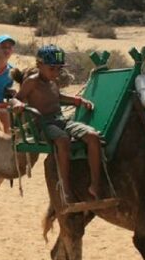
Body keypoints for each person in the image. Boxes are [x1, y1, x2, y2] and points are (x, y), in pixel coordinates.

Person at [11, 44, 106, 213]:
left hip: (60, 120)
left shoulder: (52, 81)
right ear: (40, 65)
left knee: (92, 137)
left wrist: (77, 100)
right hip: (43, 123)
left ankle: (95, 185)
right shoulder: (32, 82)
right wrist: (17, 104)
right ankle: (66, 188)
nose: (56, 72)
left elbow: (57, 97)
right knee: (62, 140)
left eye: (59, 69)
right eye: (52, 68)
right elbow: (16, 99)